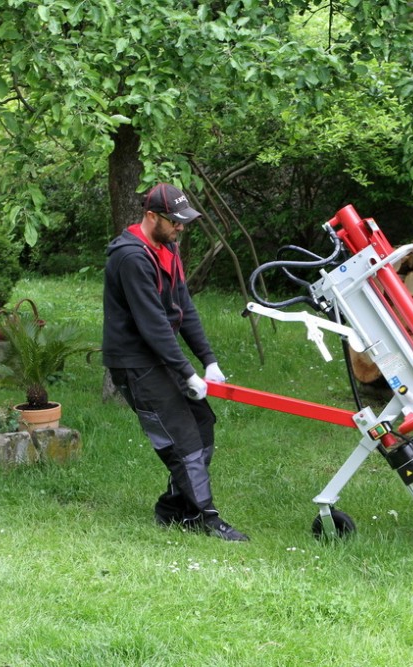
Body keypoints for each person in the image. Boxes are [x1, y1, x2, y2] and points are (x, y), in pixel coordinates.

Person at [102, 182, 248, 541]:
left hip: (159, 356)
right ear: (152, 216)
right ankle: (205, 518)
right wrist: (186, 372)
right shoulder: (131, 258)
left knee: (202, 423)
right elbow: (152, 324)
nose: (181, 227)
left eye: (184, 221)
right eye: (174, 221)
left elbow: (183, 307)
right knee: (183, 440)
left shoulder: (167, 248)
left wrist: (208, 360)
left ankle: (173, 508)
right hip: (135, 361)